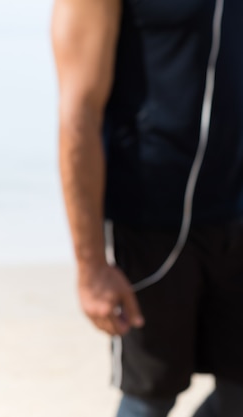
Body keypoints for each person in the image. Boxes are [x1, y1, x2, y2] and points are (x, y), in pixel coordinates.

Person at [52, 0, 243, 416]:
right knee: (150, 397)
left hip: (237, 213)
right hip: (150, 220)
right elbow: (78, 111)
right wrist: (90, 267)